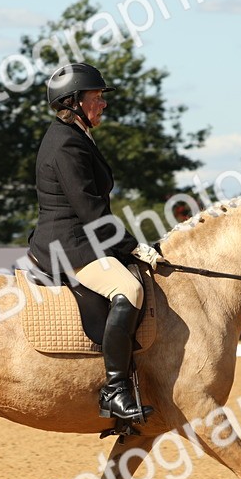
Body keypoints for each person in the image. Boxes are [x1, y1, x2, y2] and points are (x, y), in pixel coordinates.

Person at [28, 63, 163, 423]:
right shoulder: (65, 144)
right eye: (97, 97)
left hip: (80, 237)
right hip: (68, 243)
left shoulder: (76, 135)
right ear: (73, 102)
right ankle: (115, 391)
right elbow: (89, 210)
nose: (103, 104)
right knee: (129, 289)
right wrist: (132, 246)